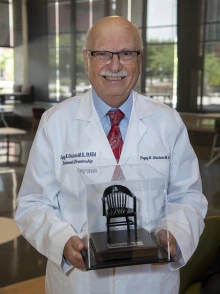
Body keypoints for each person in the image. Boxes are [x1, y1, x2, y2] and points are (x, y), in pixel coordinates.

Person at [15, 16, 207, 294]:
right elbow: (32, 203)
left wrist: (175, 232)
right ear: (86, 59)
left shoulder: (168, 122)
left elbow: (187, 196)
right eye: (103, 53)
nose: (115, 65)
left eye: (127, 54)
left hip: (150, 282)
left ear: (139, 59)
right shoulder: (56, 122)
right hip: (79, 284)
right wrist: (61, 242)